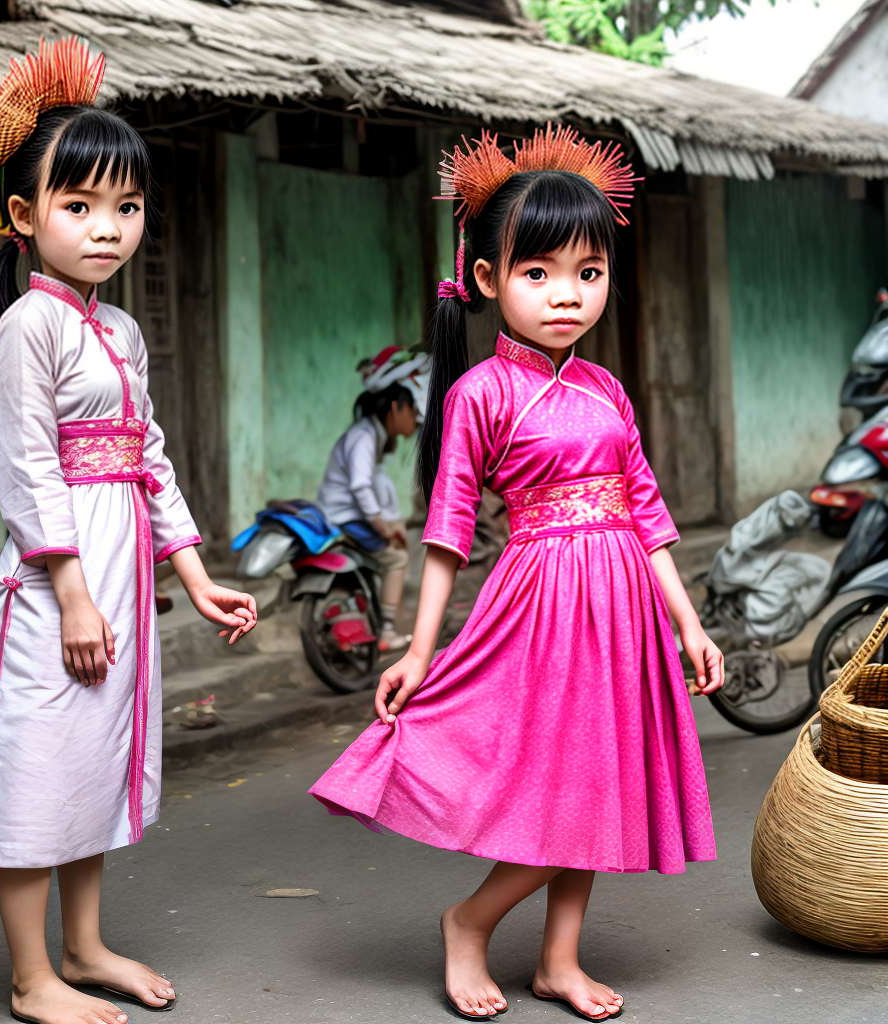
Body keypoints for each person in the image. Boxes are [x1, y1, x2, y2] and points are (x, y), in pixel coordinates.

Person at [310, 126, 724, 1022]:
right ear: (489, 281)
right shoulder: (478, 396)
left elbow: (647, 512)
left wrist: (688, 622)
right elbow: (447, 534)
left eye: (588, 272)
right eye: (538, 274)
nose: (567, 295)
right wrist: (418, 652)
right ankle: (469, 920)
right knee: (559, 786)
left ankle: (559, 962)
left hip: (626, 612)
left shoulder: (608, 390)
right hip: (541, 610)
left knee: (604, 785)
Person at [0, 39, 257, 1024]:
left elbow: (147, 453)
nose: (108, 227)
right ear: (25, 218)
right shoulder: (25, 328)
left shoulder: (121, 331)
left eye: (127, 206)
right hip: (55, 584)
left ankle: (84, 944)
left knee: (91, 758)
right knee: (39, 760)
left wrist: (195, 576)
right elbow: (27, 468)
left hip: (120, 579)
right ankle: (33, 978)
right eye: (80, 206)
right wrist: (69, 590)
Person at [316, 382, 418, 651]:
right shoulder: (365, 437)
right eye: (413, 409)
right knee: (397, 557)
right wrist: (383, 527)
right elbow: (361, 486)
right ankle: (386, 630)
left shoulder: (370, 435)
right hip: (345, 518)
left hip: (342, 514)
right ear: (396, 408)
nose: (416, 418)